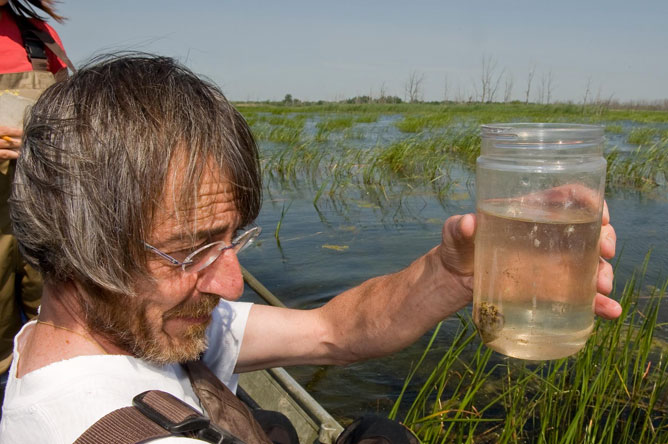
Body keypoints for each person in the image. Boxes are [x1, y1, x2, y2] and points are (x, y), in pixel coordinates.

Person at [0, 54, 620, 443]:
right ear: (77, 247)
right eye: (191, 251)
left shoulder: (128, 324)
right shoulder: (102, 424)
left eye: (232, 239)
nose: (232, 283)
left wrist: (452, 274)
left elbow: (331, 330)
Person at [0, 0, 74, 383]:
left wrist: (44, 139)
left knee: (59, 332)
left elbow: (74, 121)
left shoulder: (40, 37)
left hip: (43, 220)